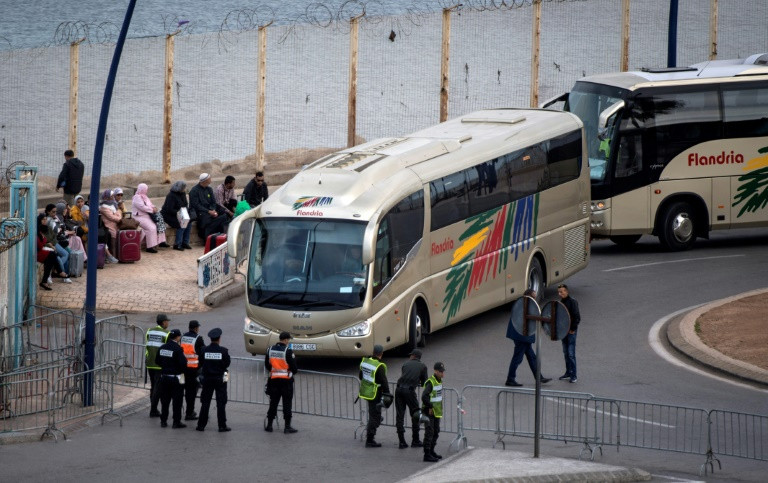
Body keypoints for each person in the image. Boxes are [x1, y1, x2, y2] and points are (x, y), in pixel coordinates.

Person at [505, 289, 552, 387]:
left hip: (521, 336)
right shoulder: (526, 305)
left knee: (531, 357)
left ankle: (539, 376)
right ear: (529, 296)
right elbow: (530, 319)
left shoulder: (521, 303)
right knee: (518, 358)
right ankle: (510, 379)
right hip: (522, 336)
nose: (535, 299)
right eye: (533, 297)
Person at [196, 327, 231, 432]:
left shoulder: (204, 350)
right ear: (219, 338)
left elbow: (200, 363)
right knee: (221, 403)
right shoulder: (224, 351)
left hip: (207, 379)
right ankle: (222, 425)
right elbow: (227, 364)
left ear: (210, 339)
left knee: (205, 402)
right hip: (220, 379)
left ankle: (201, 425)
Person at [264, 331, 299, 434]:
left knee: (273, 403)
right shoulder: (288, 351)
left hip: (273, 381)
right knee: (287, 404)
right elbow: (294, 369)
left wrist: (275, 370)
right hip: (286, 382)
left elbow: (267, 365)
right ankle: (287, 427)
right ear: (286, 340)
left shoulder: (270, 349)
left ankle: (269, 425)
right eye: (288, 340)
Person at [395, 349, 428, 449]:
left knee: (400, 416)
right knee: (416, 414)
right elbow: (424, 383)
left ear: (413, 356)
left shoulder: (405, 364)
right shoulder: (423, 366)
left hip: (399, 389)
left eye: (410, 355)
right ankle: (415, 440)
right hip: (409, 391)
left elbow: (405, 375)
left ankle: (401, 441)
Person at [359, 344, 390, 448]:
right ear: (381, 354)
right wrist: (388, 395)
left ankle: (373, 426)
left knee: (373, 414)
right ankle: (370, 439)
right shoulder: (379, 366)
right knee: (375, 416)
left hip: (366, 392)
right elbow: (384, 382)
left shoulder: (365, 361)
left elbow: (360, 376)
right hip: (374, 393)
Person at [156, 329, 188, 428]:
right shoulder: (178, 349)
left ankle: (163, 421)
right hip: (175, 378)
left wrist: (166, 367)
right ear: (178, 337)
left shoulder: (162, 347)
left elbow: (157, 361)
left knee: (165, 401)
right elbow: (183, 363)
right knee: (177, 401)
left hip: (164, 377)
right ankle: (176, 422)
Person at [189, 172, 229, 240]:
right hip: (201, 211)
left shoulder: (209, 189)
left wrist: (213, 210)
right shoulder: (194, 190)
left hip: (210, 209)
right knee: (206, 218)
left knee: (223, 212)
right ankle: (207, 236)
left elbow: (213, 202)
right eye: (209, 178)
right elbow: (196, 205)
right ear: (205, 180)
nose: (211, 180)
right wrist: (208, 211)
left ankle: (221, 236)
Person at [145, 314, 170, 418]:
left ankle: (154, 408)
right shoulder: (166, 334)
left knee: (153, 386)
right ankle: (153, 410)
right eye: (167, 321)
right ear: (163, 322)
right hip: (159, 365)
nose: (168, 323)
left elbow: (148, 345)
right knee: (157, 388)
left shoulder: (149, 331)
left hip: (150, 363)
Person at [132, 183, 169, 253]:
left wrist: (154, 207)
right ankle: (150, 247)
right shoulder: (137, 197)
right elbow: (142, 207)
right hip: (139, 217)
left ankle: (161, 242)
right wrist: (152, 210)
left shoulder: (145, 197)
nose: (146, 190)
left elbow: (150, 204)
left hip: (147, 216)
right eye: (145, 189)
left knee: (159, 224)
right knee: (151, 228)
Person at [421, 362, 445, 463]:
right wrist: (430, 406)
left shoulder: (439, 381)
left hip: (436, 412)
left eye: (443, 372)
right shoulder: (431, 382)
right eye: (440, 372)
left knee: (436, 431)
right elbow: (424, 396)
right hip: (429, 411)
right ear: (435, 371)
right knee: (429, 432)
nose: (442, 374)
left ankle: (431, 451)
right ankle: (427, 454)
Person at [181, 320, 204, 421]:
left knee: (185, 391)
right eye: (198, 327)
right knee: (192, 392)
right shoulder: (198, 339)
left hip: (183, 368)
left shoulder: (183, 337)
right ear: (195, 328)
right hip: (193, 369)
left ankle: (189, 411)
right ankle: (189, 413)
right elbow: (202, 352)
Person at [557, 284, 581, 384]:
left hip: (570, 332)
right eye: (559, 292)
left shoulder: (572, 302)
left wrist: (573, 329)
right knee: (566, 353)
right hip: (564, 331)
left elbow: (577, 317)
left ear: (567, 291)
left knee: (571, 354)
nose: (560, 293)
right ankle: (568, 372)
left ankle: (574, 375)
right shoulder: (561, 302)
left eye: (562, 291)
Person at [160, 181, 193, 251]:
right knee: (181, 224)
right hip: (169, 215)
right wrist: (180, 213)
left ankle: (185, 242)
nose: (184, 189)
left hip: (180, 213)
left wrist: (184, 212)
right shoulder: (171, 195)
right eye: (183, 188)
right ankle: (177, 244)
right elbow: (169, 209)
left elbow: (185, 204)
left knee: (189, 222)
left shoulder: (182, 194)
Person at [36, 213, 62, 290]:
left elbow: (53, 237)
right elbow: (40, 245)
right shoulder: (38, 230)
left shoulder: (45, 228)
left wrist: (49, 244)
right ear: (39, 221)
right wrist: (47, 242)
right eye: (43, 219)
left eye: (45, 219)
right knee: (53, 255)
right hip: (38, 252)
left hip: (44, 249)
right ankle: (59, 271)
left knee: (51, 258)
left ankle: (46, 280)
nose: (45, 221)